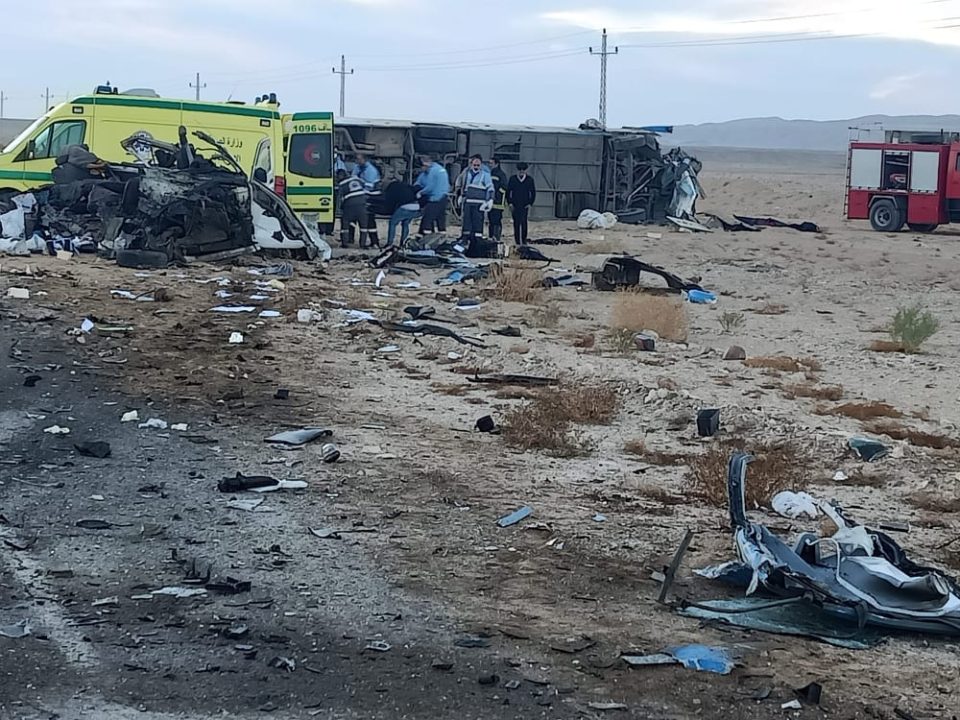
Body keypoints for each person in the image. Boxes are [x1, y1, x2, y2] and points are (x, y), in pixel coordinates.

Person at [459, 153, 493, 245]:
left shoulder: (485, 175)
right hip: (468, 202)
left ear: (481, 165)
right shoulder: (467, 174)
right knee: (466, 222)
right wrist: (461, 196)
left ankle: (477, 241)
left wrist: (490, 200)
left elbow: (490, 188)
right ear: (471, 164)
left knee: (478, 223)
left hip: (479, 203)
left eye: (478, 165)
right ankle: (465, 239)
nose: (476, 167)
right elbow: (464, 186)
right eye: (474, 165)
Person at [414, 154, 450, 236]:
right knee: (440, 219)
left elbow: (430, 187)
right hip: (443, 197)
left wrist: (420, 193)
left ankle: (426, 237)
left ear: (425, 164)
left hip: (435, 198)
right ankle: (441, 237)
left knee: (427, 219)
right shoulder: (440, 169)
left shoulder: (432, 171)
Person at [352, 153, 382, 247]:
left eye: (359, 159)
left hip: (371, 197)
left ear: (365, 159)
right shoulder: (357, 167)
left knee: (369, 219)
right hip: (359, 195)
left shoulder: (371, 170)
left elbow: (369, 186)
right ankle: (349, 239)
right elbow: (353, 178)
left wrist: (359, 185)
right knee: (352, 217)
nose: (357, 161)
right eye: (356, 159)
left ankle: (374, 242)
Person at [336, 169, 370, 248]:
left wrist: (339, 209)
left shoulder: (341, 184)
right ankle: (363, 244)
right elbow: (366, 187)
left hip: (349, 206)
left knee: (345, 224)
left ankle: (345, 243)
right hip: (362, 205)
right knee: (363, 226)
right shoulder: (356, 179)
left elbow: (339, 198)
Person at [382, 179, 421, 248]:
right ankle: (403, 243)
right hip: (416, 206)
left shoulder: (391, 189)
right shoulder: (404, 184)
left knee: (392, 223)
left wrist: (390, 211)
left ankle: (389, 243)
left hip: (405, 207)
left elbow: (390, 203)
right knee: (405, 224)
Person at [507, 162, 536, 245]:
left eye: (523, 170)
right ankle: (517, 241)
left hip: (524, 205)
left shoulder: (529, 180)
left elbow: (533, 192)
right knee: (516, 223)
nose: (521, 171)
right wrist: (510, 202)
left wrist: (530, 203)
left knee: (524, 222)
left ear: (526, 170)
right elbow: (508, 191)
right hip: (515, 204)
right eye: (520, 170)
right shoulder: (513, 179)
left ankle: (523, 240)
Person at [487, 157, 508, 242]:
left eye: (491, 163)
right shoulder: (489, 173)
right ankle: (491, 236)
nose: (490, 165)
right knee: (490, 219)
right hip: (490, 201)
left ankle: (496, 236)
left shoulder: (501, 174)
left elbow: (504, 186)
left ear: (497, 164)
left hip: (498, 203)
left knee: (496, 220)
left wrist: (497, 195)